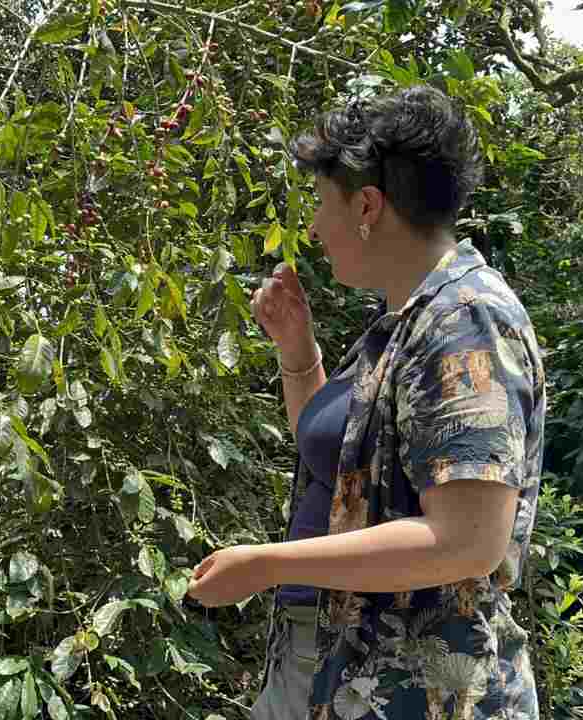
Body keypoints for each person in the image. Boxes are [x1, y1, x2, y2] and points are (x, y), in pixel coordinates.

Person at [187, 86, 545, 720]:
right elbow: (342, 469)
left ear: (368, 206)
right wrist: (298, 352)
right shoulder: (404, 320)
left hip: (417, 692)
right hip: (339, 665)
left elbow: (467, 540)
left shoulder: (466, 321)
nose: (314, 227)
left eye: (324, 203)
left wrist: (267, 564)